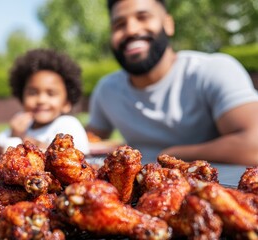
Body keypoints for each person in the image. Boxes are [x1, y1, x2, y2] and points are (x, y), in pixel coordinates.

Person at [86, 0, 258, 165]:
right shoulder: (107, 90)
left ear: (168, 24)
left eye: (143, 17)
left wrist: (172, 155)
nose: (131, 30)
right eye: (119, 25)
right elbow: (88, 141)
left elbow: (253, 145)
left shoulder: (213, 70)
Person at [0, 48, 90, 155]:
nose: (41, 100)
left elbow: (74, 153)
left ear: (67, 102)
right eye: (33, 93)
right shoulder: (22, 124)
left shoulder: (67, 124)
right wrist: (14, 134)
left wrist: (22, 138)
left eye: (51, 94)